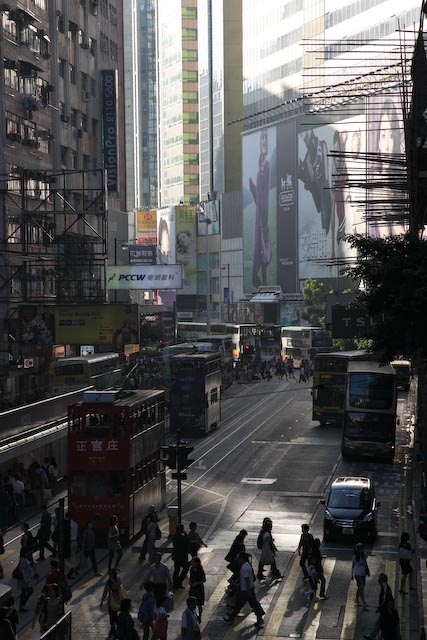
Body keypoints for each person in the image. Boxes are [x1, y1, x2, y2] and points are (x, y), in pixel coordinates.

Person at [249, 129, 271, 288]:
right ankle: (260, 281)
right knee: (259, 248)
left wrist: (254, 191)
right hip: (259, 214)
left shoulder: (267, 166)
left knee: (263, 248)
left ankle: (262, 280)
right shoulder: (259, 165)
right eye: (262, 142)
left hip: (263, 214)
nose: (264, 145)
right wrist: (253, 190)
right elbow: (259, 193)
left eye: (266, 143)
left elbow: (264, 195)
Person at [224, 552, 265, 627]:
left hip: (246, 590)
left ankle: (230, 617)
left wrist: (247, 590)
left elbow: (246, 579)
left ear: (242, 558)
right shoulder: (245, 566)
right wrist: (238, 584)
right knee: (254, 604)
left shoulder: (245, 567)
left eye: (238, 558)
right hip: (247, 589)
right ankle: (260, 617)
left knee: (239, 605)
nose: (237, 559)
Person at [363, 573, 394, 640]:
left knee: (380, 624)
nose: (378, 580)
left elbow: (384, 599)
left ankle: (373, 637)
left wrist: (379, 608)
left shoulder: (385, 588)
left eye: (379, 579)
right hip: (385, 610)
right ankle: (374, 636)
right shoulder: (385, 587)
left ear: (382, 580)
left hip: (385, 610)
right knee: (380, 624)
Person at [101, 569, 123, 639]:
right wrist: (102, 601)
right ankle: (112, 629)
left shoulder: (118, 580)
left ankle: (118, 628)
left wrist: (112, 583)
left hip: (117, 601)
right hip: (110, 602)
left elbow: (116, 586)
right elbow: (105, 592)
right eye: (110, 575)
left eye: (112, 574)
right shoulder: (108, 582)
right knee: (111, 616)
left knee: (115, 616)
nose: (111, 576)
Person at [172, 523, 190, 590]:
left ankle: (175, 583)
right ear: (182, 530)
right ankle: (179, 582)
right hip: (182, 556)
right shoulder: (182, 537)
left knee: (176, 570)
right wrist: (185, 534)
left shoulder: (174, 536)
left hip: (176, 556)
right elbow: (187, 542)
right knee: (185, 568)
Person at [189, 556, 206, 623]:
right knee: (192, 603)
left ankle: (200, 616)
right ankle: (194, 615)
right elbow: (190, 577)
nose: (191, 562)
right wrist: (190, 582)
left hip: (199, 589)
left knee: (199, 604)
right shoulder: (191, 569)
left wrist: (197, 583)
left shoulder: (200, 570)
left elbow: (204, 579)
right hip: (192, 588)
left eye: (193, 561)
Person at [351, 542, 369, 607]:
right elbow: (353, 566)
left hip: (363, 573)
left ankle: (357, 599)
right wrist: (352, 574)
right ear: (358, 549)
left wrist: (367, 570)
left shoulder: (364, 554)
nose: (362, 550)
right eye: (361, 548)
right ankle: (363, 601)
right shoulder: (355, 557)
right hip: (357, 573)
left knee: (361, 587)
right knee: (361, 587)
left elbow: (365, 563)